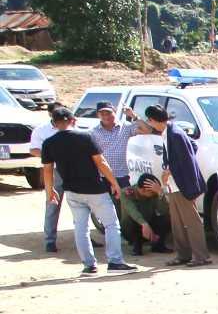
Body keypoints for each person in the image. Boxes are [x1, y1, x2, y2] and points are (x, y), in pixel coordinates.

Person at [41, 105, 132, 274]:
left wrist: (50, 191)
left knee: (81, 228)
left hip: (71, 191)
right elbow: (101, 162)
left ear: (54, 123)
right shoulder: (85, 137)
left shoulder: (48, 143)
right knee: (112, 224)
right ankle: (115, 262)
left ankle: (89, 265)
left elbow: (47, 170)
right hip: (94, 189)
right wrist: (114, 183)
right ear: (73, 120)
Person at [159, 105, 211, 267]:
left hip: (183, 184)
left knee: (192, 220)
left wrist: (169, 170)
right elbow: (192, 147)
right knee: (177, 222)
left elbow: (185, 159)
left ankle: (201, 256)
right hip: (175, 185)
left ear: (153, 120)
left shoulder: (175, 134)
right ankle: (183, 254)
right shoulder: (169, 132)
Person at [30, 108, 65, 253]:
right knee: (52, 203)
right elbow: (33, 150)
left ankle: (86, 237)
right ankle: (50, 240)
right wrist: (52, 155)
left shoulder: (71, 125)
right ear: (50, 114)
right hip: (54, 169)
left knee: (81, 203)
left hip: (74, 170)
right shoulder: (41, 130)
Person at [88, 102, 141, 189]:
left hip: (122, 176)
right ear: (98, 115)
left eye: (108, 113)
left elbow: (147, 130)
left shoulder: (125, 126)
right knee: (105, 203)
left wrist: (133, 115)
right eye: (102, 114)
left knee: (124, 202)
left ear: (115, 111)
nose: (106, 116)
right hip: (102, 176)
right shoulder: (93, 132)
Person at [119, 173, 172, 256]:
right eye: (152, 193)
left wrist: (160, 193)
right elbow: (133, 211)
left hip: (149, 224)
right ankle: (137, 246)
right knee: (132, 220)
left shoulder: (154, 193)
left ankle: (158, 245)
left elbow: (163, 210)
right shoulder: (127, 193)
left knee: (167, 218)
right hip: (131, 228)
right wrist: (144, 224)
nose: (153, 194)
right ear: (143, 190)